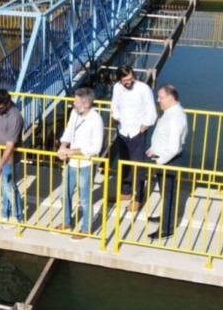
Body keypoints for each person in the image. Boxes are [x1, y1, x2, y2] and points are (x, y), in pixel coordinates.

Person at [57, 88, 104, 240]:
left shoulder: (96, 120)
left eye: (76, 101)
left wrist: (72, 151)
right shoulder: (74, 114)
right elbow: (69, 131)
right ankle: (67, 222)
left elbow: (95, 148)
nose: (73, 103)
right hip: (72, 163)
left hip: (86, 164)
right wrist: (63, 146)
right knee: (64, 194)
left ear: (86, 103)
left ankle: (86, 229)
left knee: (84, 199)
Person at [143, 84, 188, 240]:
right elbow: (164, 136)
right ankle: (165, 217)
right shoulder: (169, 112)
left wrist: (160, 160)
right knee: (165, 193)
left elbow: (174, 148)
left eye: (161, 97)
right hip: (163, 159)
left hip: (169, 162)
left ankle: (167, 229)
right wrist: (153, 149)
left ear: (170, 98)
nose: (158, 100)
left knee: (168, 195)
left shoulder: (176, 117)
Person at [110, 65, 157, 210]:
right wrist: (116, 117)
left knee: (138, 166)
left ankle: (138, 198)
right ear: (120, 79)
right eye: (125, 80)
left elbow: (151, 110)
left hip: (138, 132)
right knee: (124, 162)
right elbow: (114, 105)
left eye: (131, 78)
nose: (129, 82)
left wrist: (145, 125)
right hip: (123, 130)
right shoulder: (117, 88)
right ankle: (126, 191)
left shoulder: (143, 89)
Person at [0, 89, 23, 223]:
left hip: (10, 156)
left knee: (9, 185)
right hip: (0, 152)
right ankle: (5, 214)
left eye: (0, 108)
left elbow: (10, 146)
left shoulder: (15, 116)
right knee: (5, 185)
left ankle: (18, 216)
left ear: (7, 103)